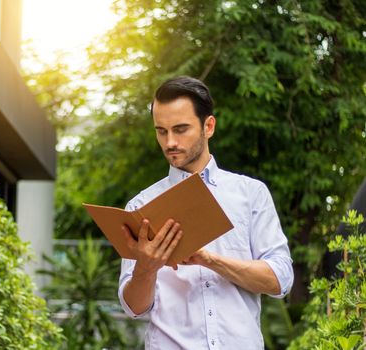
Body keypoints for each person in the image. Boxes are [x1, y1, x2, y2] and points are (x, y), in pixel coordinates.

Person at [118, 76, 294, 349]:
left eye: (181, 129)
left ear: (208, 126)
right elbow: (134, 309)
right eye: (161, 131)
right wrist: (146, 268)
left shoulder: (250, 194)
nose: (170, 142)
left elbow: (280, 279)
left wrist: (209, 260)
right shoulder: (140, 206)